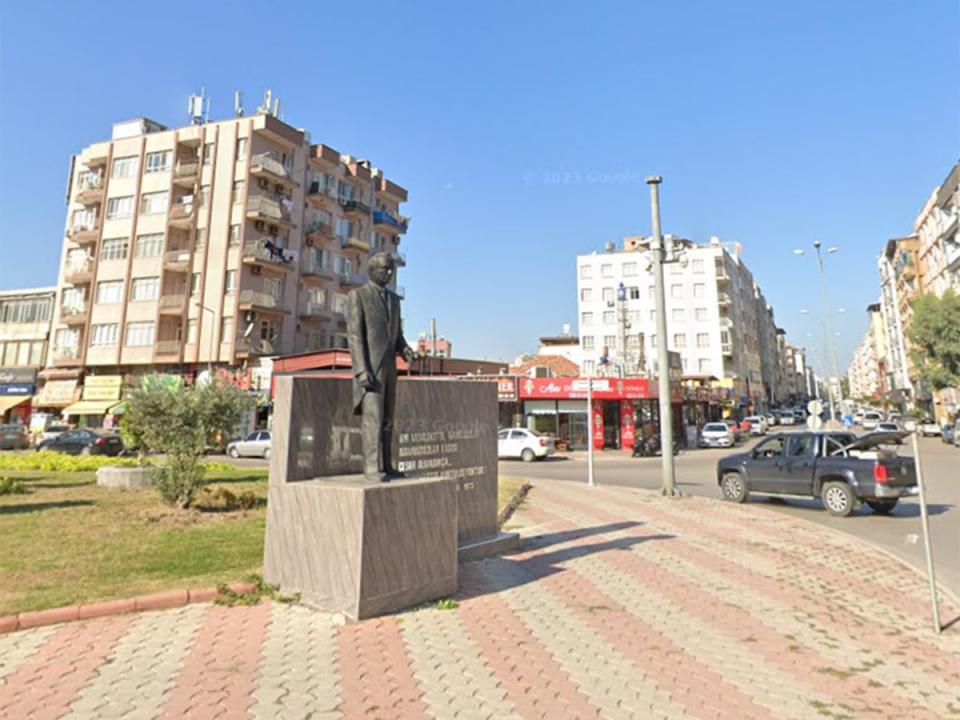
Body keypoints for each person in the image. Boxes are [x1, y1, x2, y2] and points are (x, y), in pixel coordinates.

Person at [346, 253, 418, 481]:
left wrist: (405, 349)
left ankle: (387, 465)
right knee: (373, 419)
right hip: (370, 370)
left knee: (388, 419)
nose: (389, 273)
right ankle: (371, 467)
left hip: (390, 369)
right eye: (385, 269)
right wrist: (360, 369)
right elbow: (355, 336)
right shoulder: (358, 296)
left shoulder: (394, 300)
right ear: (372, 270)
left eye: (391, 270)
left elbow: (397, 335)